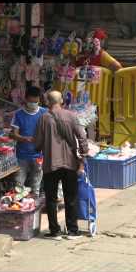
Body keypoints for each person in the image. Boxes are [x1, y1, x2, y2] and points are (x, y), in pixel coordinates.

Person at [35, 91, 88, 241]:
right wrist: (83, 157)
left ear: (47, 102)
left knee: (51, 199)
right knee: (71, 197)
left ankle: (55, 231)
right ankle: (72, 230)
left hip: (51, 164)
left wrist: (40, 147)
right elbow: (82, 137)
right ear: (62, 101)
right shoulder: (71, 116)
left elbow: (37, 143)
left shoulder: (43, 118)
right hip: (70, 163)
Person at [10, 86, 47, 196]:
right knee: (18, 185)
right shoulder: (18, 114)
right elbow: (13, 134)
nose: (33, 104)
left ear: (39, 100)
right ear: (25, 99)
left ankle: (34, 207)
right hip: (21, 156)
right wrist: (24, 138)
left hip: (38, 156)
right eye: (31, 101)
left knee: (35, 186)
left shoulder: (45, 113)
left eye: (35, 101)